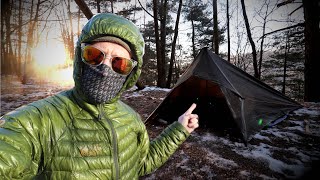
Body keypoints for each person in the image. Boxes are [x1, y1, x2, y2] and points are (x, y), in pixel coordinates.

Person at [0, 13, 199, 179]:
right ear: (80, 57)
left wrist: (179, 129)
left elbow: (141, 164)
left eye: (119, 63)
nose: (104, 68)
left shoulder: (130, 119)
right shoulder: (39, 120)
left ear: (130, 73)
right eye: (94, 55)